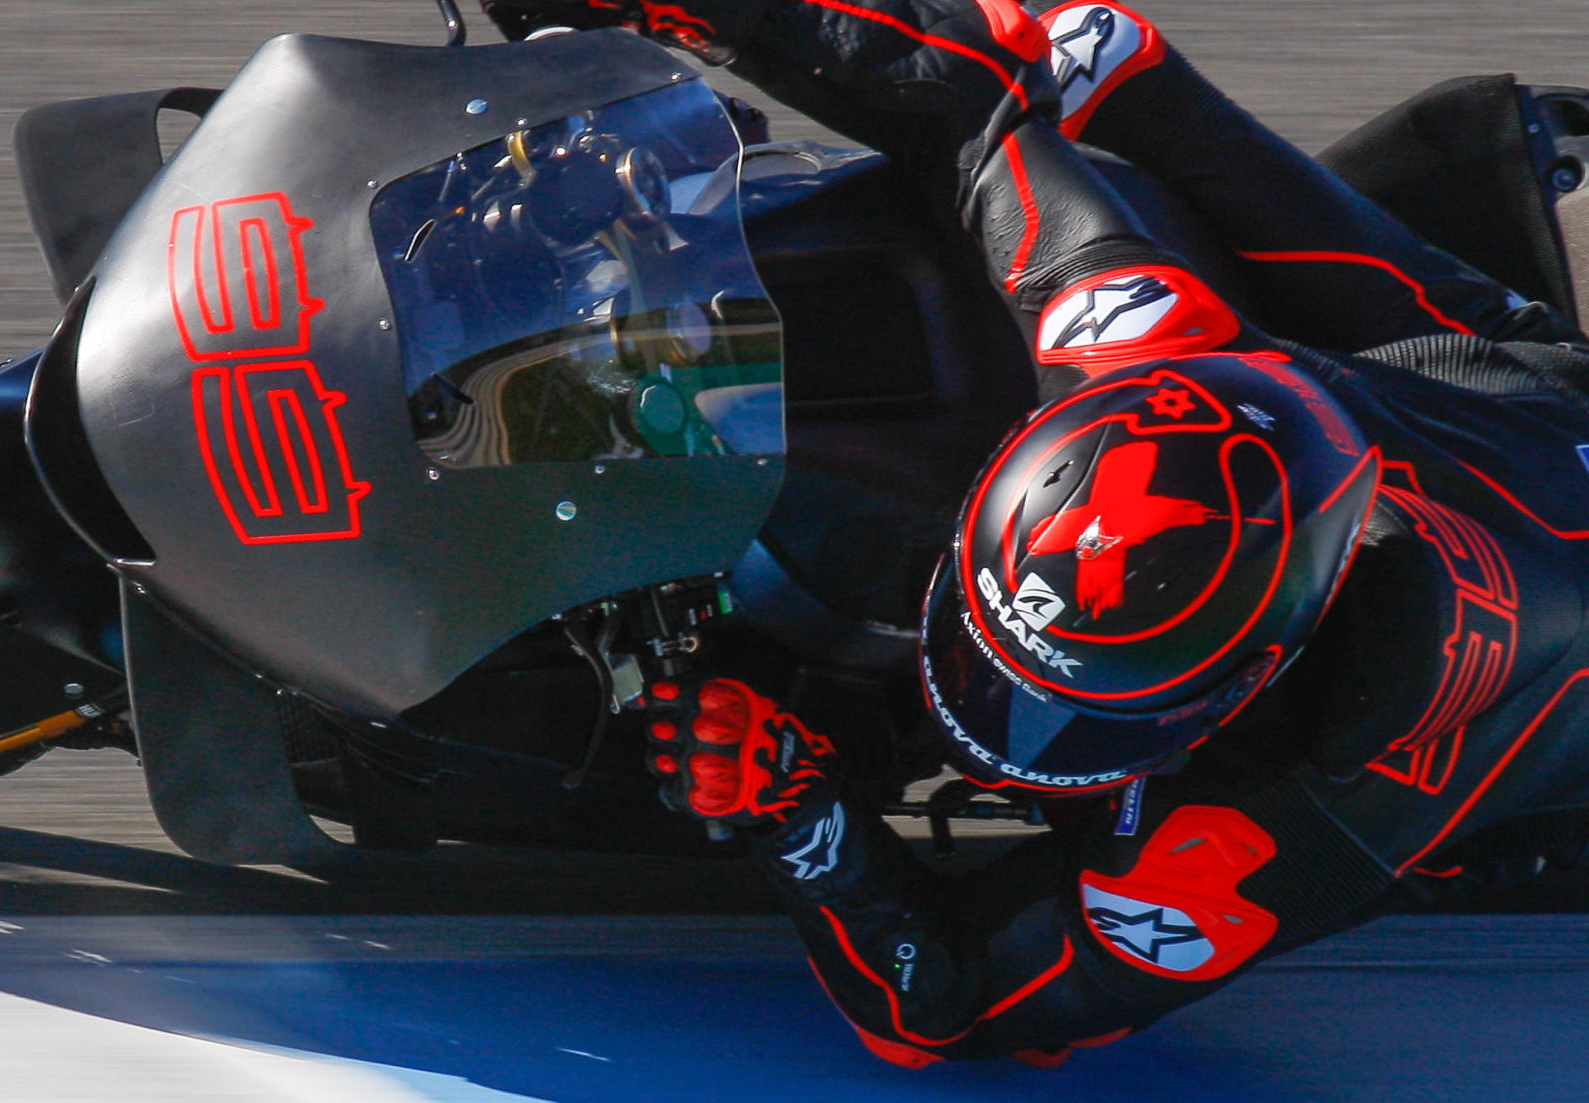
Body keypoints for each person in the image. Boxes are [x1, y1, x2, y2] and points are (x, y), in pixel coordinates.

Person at [486, 0, 1589, 1067]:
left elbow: (952, 1006)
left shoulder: (1294, 812)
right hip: (1501, 407)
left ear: (1264, 663)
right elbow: (971, 96)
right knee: (1080, 47)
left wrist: (803, 808)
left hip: (1534, 606)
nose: (995, 703)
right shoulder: (1142, 340)